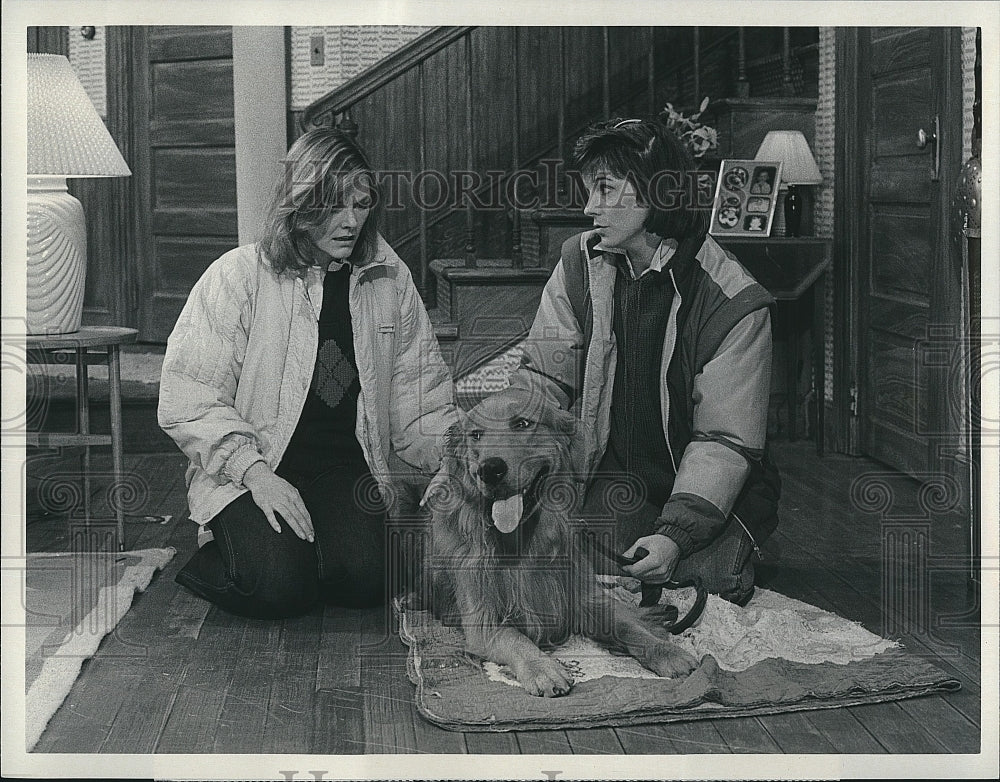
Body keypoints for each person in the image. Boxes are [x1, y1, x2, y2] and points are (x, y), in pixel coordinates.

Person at [158, 128, 457, 619]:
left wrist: (452, 453)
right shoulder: (237, 275)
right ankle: (229, 557)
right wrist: (253, 473)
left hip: (343, 464)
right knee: (277, 589)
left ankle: (307, 552)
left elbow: (418, 393)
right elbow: (188, 396)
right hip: (258, 465)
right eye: (334, 207)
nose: (351, 222)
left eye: (361, 205)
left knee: (368, 581)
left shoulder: (389, 277)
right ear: (300, 204)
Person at [506, 117, 781, 605]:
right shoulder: (579, 263)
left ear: (656, 189)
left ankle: (714, 543)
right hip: (619, 479)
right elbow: (543, 377)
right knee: (566, 562)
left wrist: (675, 535)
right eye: (589, 190)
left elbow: (725, 441)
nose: (590, 207)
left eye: (606, 189)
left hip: (713, 485)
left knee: (707, 582)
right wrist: (505, 455)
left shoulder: (733, 300)